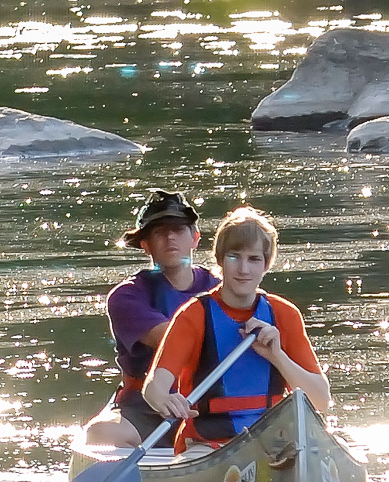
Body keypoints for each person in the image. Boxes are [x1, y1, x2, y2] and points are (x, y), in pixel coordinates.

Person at [142, 207, 328, 445]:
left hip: (272, 441)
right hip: (207, 443)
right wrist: (165, 400)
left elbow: (321, 400)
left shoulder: (285, 314)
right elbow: (154, 388)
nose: (243, 269)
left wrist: (278, 356)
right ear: (220, 260)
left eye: (254, 259)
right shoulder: (193, 315)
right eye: (234, 257)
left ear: (266, 264)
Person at [85, 189, 219, 448]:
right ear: (145, 245)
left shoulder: (221, 288)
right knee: (100, 435)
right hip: (146, 408)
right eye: (159, 232)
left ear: (195, 238)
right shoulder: (126, 297)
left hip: (212, 403)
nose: (170, 237)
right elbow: (173, 340)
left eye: (178, 229)